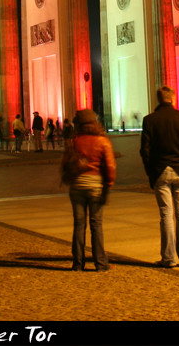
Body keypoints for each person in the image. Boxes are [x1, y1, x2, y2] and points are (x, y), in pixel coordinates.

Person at [140, 86, 179, 268]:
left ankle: (168, 257)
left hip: (160, 171)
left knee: (166, 214)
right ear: (173, 98)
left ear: (158, 99)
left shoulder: (149, 120)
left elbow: (145, 150)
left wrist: (151, 172)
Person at [60, 109, 116, 272]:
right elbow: (110, 166)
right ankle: (100, 263)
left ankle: (77, 263)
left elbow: (65, 164)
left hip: (77, 187)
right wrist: (109, 184)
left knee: (79, 225)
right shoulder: (102, 141)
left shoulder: (74, 140)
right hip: (96, 187)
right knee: (96, 225)